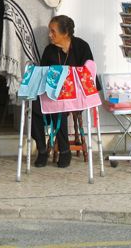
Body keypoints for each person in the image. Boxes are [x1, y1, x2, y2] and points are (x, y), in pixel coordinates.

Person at [32, 15, 97, 168]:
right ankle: (42, 150)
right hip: (55, 94)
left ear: (65, 33)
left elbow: (88, 75)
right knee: (33, 105)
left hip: (77, 96)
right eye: (50, 31)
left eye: (53, 32)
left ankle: (65, 150)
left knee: (58, 107)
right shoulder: (49, 50)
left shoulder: (81, 47)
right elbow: (43, 76)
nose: (50, 35)